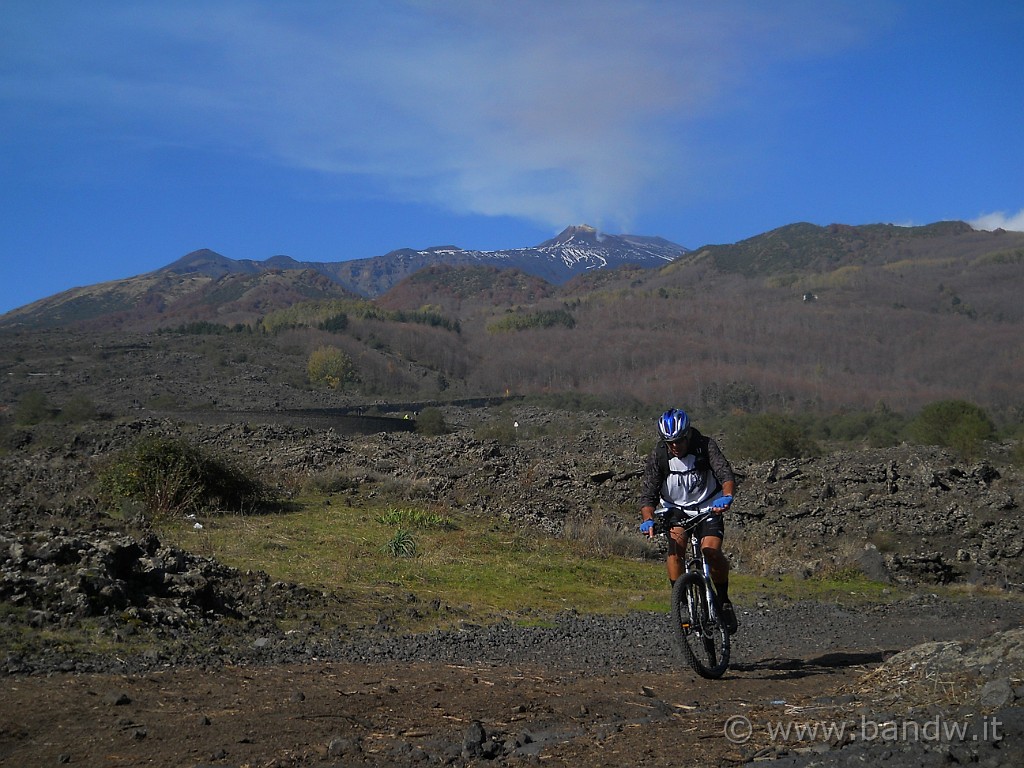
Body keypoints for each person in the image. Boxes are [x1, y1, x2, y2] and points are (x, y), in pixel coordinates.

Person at [638, 408, 739, 634]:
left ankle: (723, 600)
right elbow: (648, 494)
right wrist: (648, 519)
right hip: (676, 510)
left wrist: (727, 496)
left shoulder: (705, 445)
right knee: (675, 551)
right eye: (669, 442)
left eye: (679, 441)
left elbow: (725, 475)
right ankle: (682, 605)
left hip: (708, 506)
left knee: (710, 553)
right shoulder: (659, 455)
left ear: (688, 436)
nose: (675, 446)